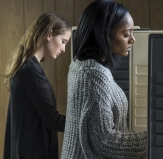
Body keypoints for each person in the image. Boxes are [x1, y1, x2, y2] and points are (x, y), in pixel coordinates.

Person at [61, 0, 147, 159]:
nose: (132, 39)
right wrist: (153, 139)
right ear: (105, 34)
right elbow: (104, 142)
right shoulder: (92, 75)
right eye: (126, 34)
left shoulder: (82, 66)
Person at [3, 12, 71, 159]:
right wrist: (87, 125)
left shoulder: (31, 67)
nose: (64, 49)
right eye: (63, 41)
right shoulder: (30, 70)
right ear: (49, 34)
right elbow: (53, 120)